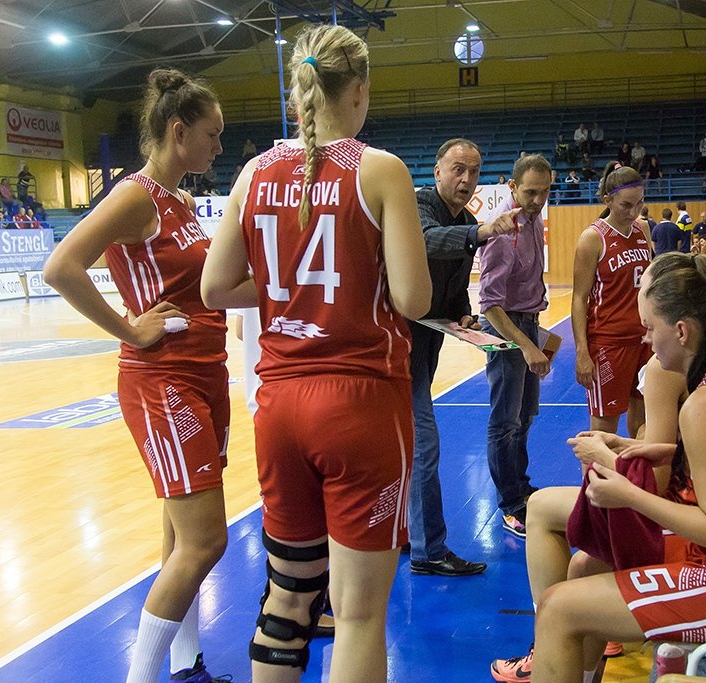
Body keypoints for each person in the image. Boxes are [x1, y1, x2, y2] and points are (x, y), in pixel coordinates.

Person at [200, 25, 431, 683]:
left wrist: (284, 288)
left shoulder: (253, 171)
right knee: (358, 614)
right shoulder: (379, 168)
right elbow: (412, 298)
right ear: (358, 90)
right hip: (358, 404)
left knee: (287, 600)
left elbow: (216, 288)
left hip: (277, 406)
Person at [525, 253, 706, 683]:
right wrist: (633, 447)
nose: (646, 340)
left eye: (650, 328)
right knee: (585, 568)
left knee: (557, 610)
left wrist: (629, 494)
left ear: (681, 331)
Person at [43, 68, 231, 683]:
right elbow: (60, 266)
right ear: (178, 131)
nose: (219, 147)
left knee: (182, 541)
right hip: (163, 378)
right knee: (207, 542)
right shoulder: (136, 196)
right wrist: (130, 328)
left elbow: (206, 287)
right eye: (212, 134)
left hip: (205, 373)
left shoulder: (179, 200)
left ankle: (186, 665)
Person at [408, 138, 520, 577]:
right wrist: (483, 232)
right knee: (423, 446)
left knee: (403, 448)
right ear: (437, 171)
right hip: (393, 346)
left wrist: (462, 314)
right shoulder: (416, 206)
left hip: (424, 344)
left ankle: (406, 534)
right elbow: (427, 242)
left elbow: (453, 286)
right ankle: (428, 550)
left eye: (473, 171)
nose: (466, 179)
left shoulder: (468, 221)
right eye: (457, 169)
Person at [478, 154, 553, 538]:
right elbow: (489, 305)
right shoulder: (504, 231)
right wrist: (525, 345)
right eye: (529, 192)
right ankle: (510, 504)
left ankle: (520, 489)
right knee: (505, 423)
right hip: (507, 329)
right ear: (511, 186)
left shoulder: (533, 218)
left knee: (523, 418)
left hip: (528, 322)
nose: (538, 199)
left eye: (544, 191)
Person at [571, 166, 652, 438]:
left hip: (644, 340)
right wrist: (582, 351)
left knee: (643, 422)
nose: (634, 212)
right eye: (626, 205)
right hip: (609, 343)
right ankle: (596, 481)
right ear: (607, 200)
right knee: (605, 429)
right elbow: (579, 298)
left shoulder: (643, 229)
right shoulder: (593, 238)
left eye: (639, 203)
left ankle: (635, 479)